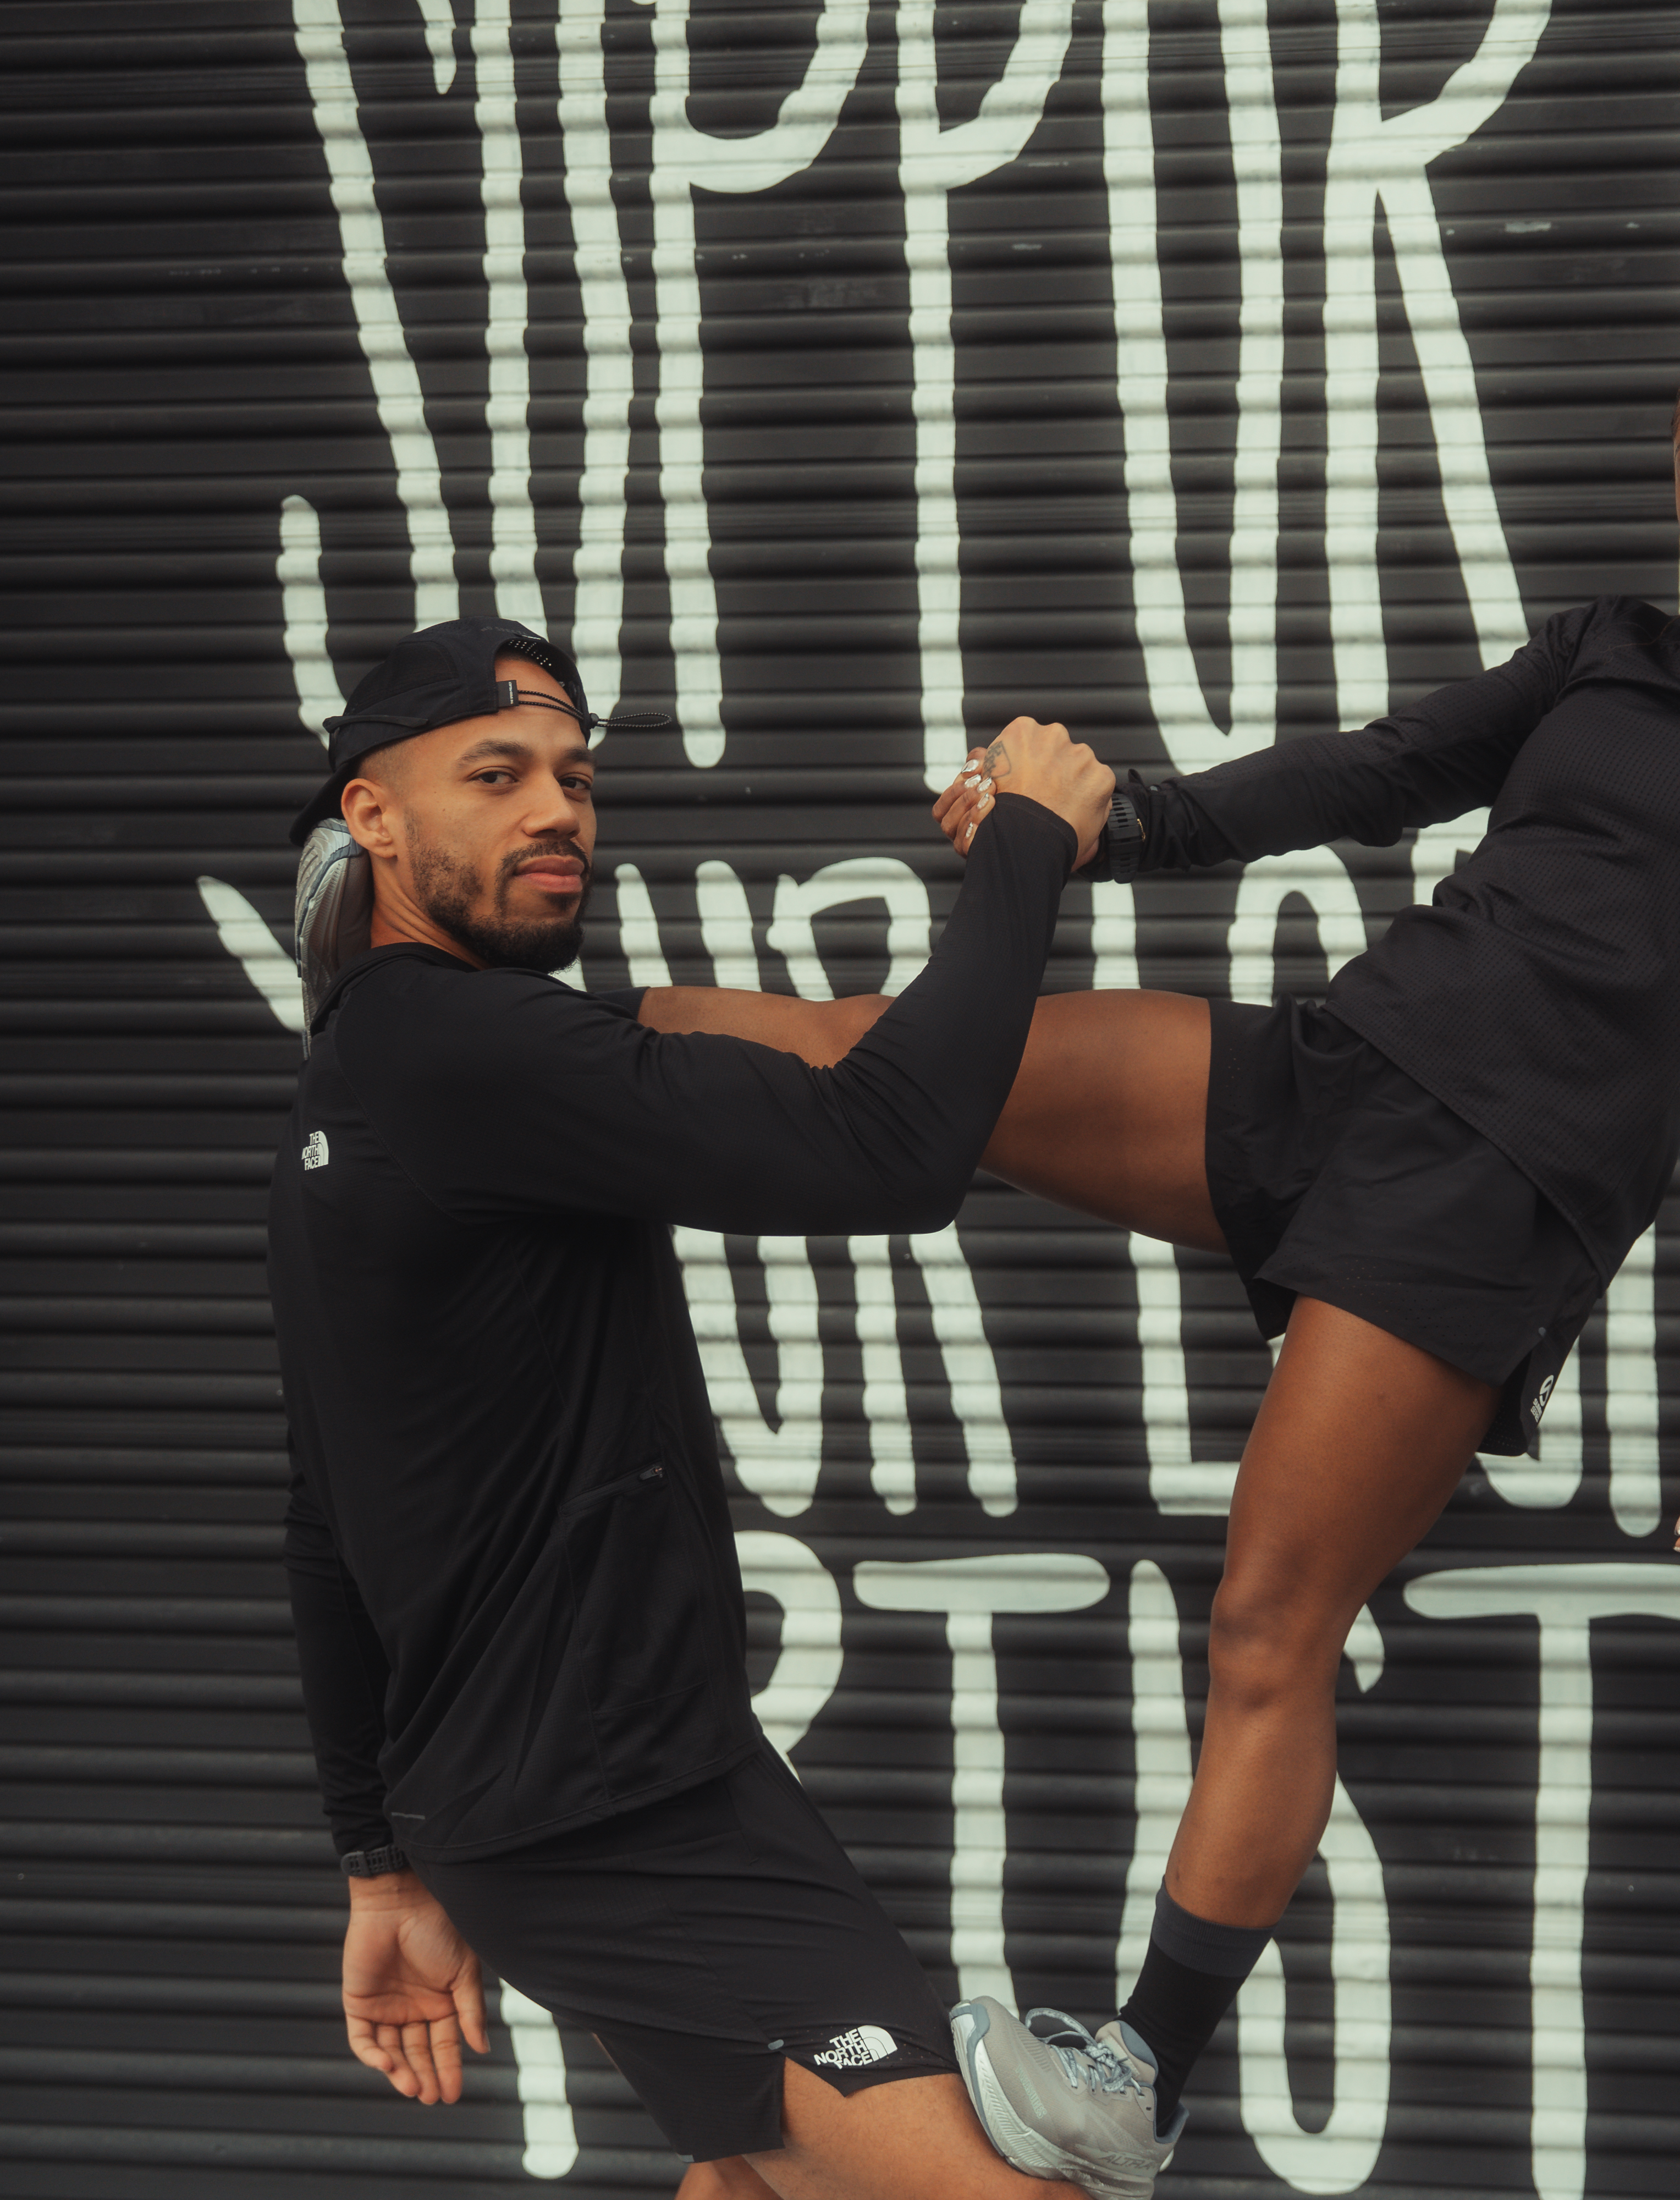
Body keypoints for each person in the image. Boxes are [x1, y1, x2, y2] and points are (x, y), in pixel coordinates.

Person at [927, 311, 1680, 2199]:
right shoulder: (1608, 647)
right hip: (1342, 1063)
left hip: (1498, 1186)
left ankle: (1134, 2082)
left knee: (1270, 1625)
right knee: (912, 1066)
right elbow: (1373, 773)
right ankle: (542, 1105)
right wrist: (1106, 828)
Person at [267, 614, 1116, 2199]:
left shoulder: (375, 1070)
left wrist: (379, 1862)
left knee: (759, 2183)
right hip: (603, 1820)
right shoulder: (455, 1049)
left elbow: (331, 1514)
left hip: (636, 1783)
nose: (558, 812)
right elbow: (886, 1150)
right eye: (497, 775)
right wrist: (1026, 848)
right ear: (371, 815)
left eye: (577, 778)